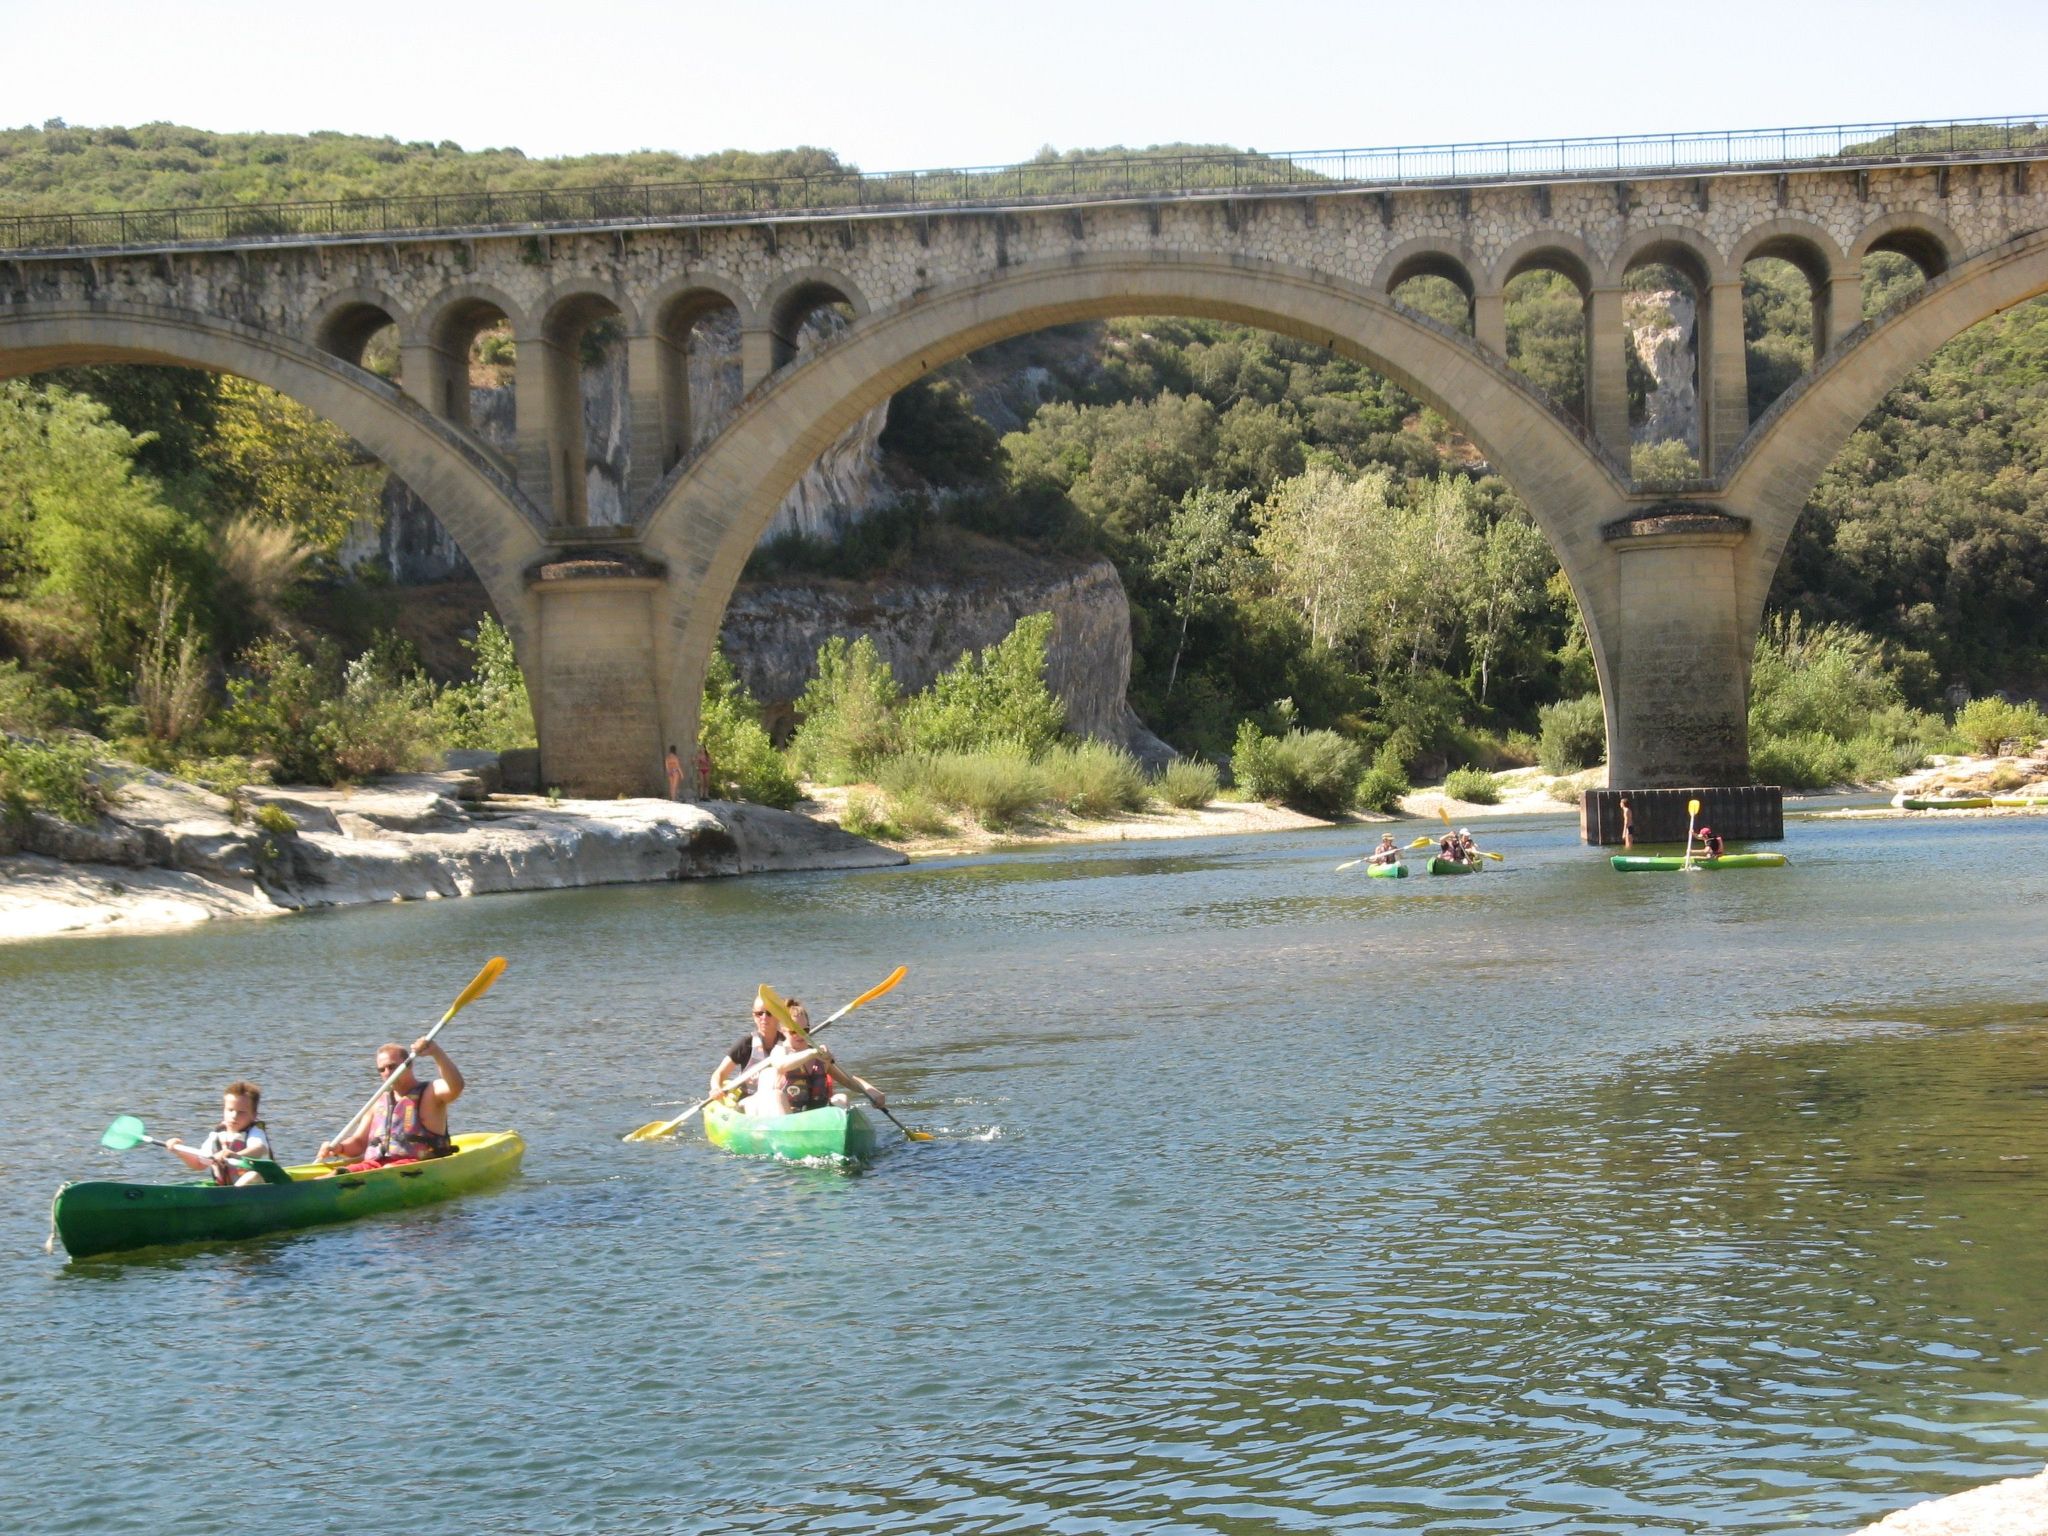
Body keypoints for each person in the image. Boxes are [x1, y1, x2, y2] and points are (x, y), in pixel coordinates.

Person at [316, 1038, 464, 1169]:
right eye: (382, 1069)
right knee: (338, 1173)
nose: (387, 1072)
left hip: (416, 1166)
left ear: (409, 1065)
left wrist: (437, 1053)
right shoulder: (377, 1102)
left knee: (387, 1168)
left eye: (392, 1066)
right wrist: (339, 1148)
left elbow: (456, 1086)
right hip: (376, 1166)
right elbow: (360, 1143)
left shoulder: (431, 1091)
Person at [165, 1080, 274, 1187]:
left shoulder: (254, 1131)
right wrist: (179, 1151)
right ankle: (229, 1197)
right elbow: (199, 1164)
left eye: (241, 1112)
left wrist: (233, 1154)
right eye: (230, 1110)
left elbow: (260, 1149)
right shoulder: (217, 1135)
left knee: (253, 1175)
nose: (234, 1116)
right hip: (229, 1189)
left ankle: (232, 1198)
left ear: (254, 1115)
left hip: (266, 1184)